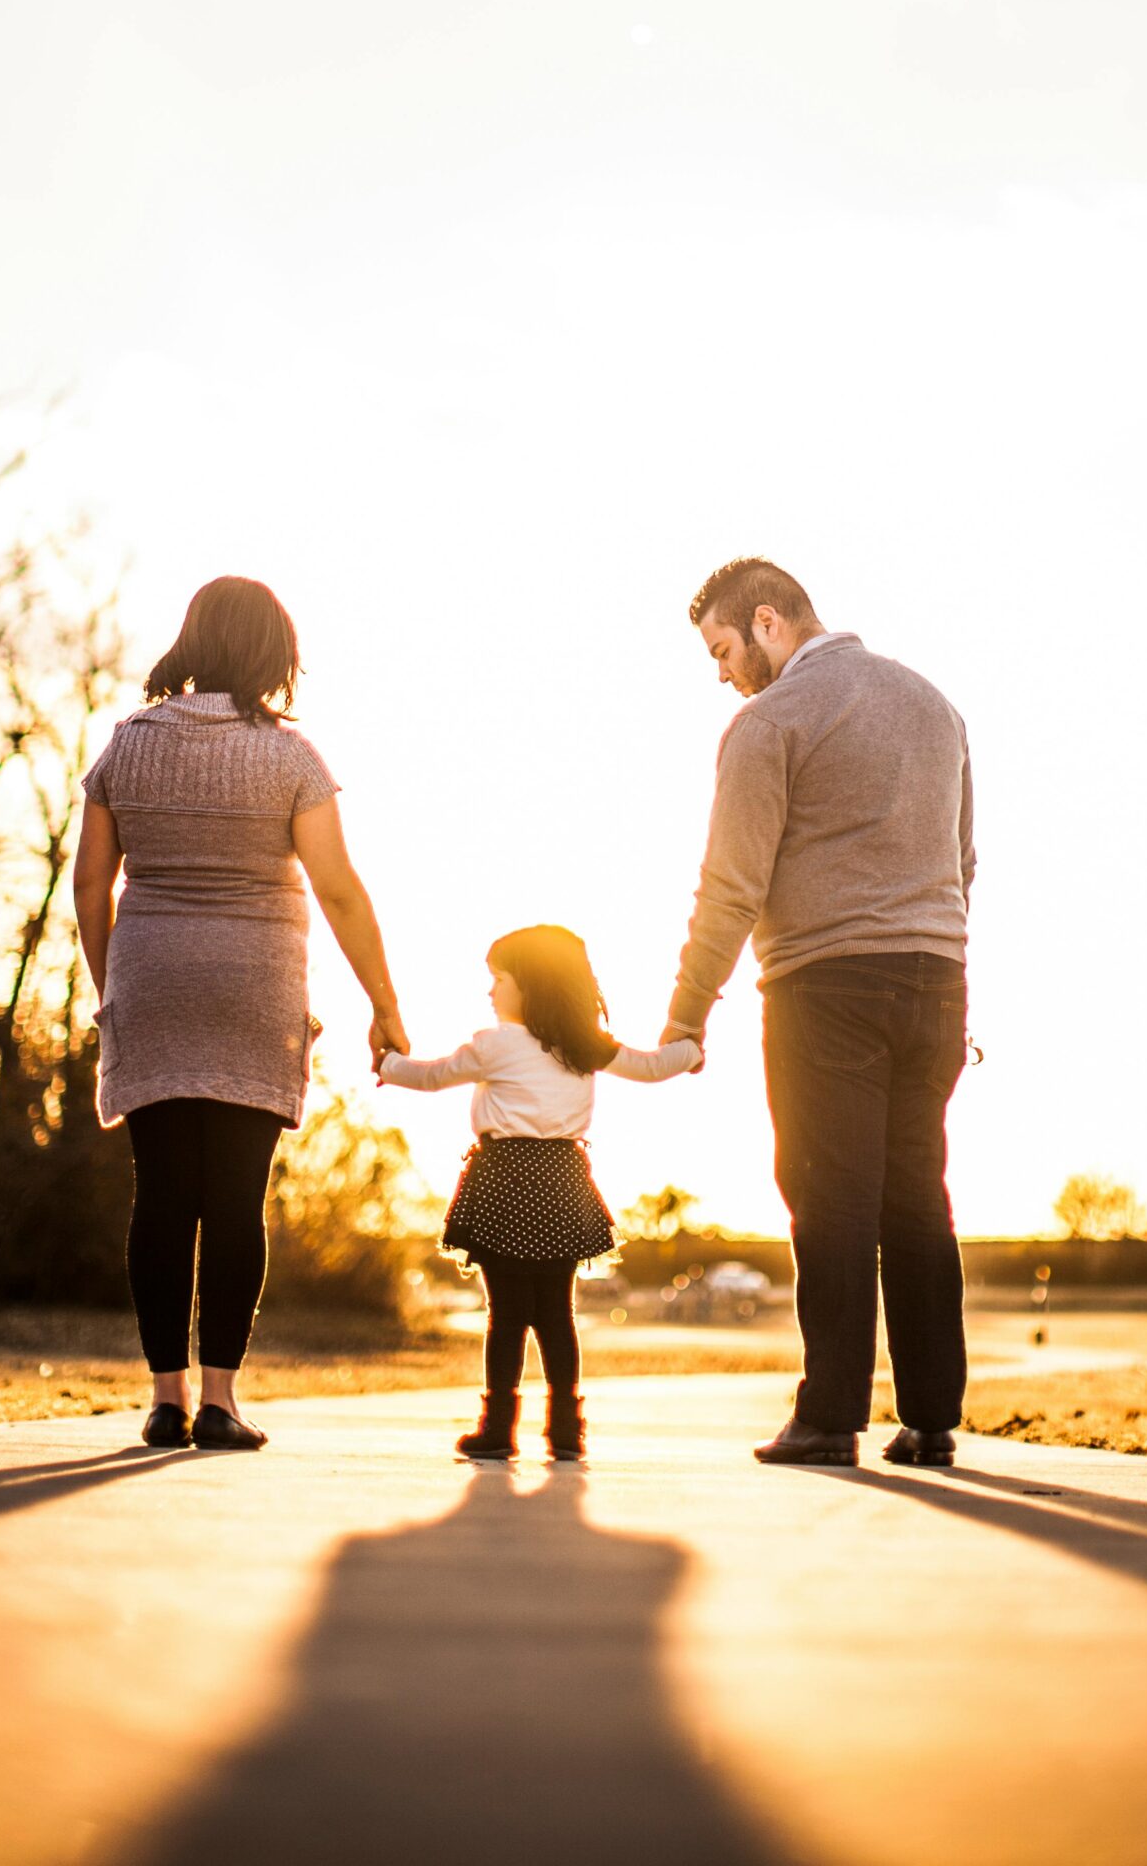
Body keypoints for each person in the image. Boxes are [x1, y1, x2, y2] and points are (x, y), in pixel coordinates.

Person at [73, 575, 407, 1453]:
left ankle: (163, 1399)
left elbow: (90, 884)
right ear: (271, 652)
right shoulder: (291, 757)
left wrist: (115, 989)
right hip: (254, 991)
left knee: (160, 1198)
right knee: (233, 1201)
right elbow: (337, 890)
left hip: (151, 983)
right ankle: (220, 1401)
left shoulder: (126, 745)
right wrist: (383, 1001)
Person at [662, 557, 975, 1470]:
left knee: (829, 1199)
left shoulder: (770, 722)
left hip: (823, 986)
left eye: (722, 650)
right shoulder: (934, 704)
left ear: (766, 623)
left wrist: (686, 1017)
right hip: (936, 979)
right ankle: (929, 1419)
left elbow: (731, 887)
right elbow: (962, 860)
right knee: (917, 1196)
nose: (722, 674)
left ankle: (829, 1417)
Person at [379, 925, 700, 1462]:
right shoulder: (582, 1044)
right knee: (557, 1312)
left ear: (527, 983)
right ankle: (566, 1429)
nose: (489, 992)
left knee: (505, 1314)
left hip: (504, 1181)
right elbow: (650, 1067)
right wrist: (690, 1051)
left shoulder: (496, 1043)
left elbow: (432, 1076)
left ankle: (499, 1428)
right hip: (561, 1183)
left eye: (497, 979)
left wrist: (387, 1063)